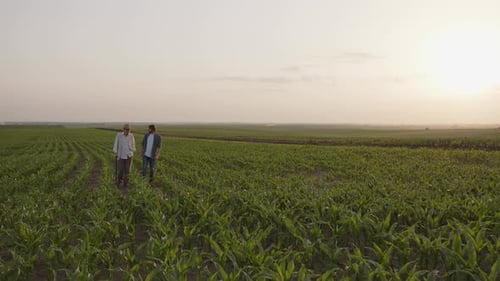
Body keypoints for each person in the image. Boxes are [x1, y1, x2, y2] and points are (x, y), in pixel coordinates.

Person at [113, 123, 136, 187]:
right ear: (123, 129)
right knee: (120, 170)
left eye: (128, 129)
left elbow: (133, 144)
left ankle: (125, 183)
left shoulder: (131, 136)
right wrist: (115, 152)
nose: (127, 131)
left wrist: (132, 150)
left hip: (129, 155)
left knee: (127, 170)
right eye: (126, 129)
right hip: (121, 155)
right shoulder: (119, 135)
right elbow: (116, 143)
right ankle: (119, 181)